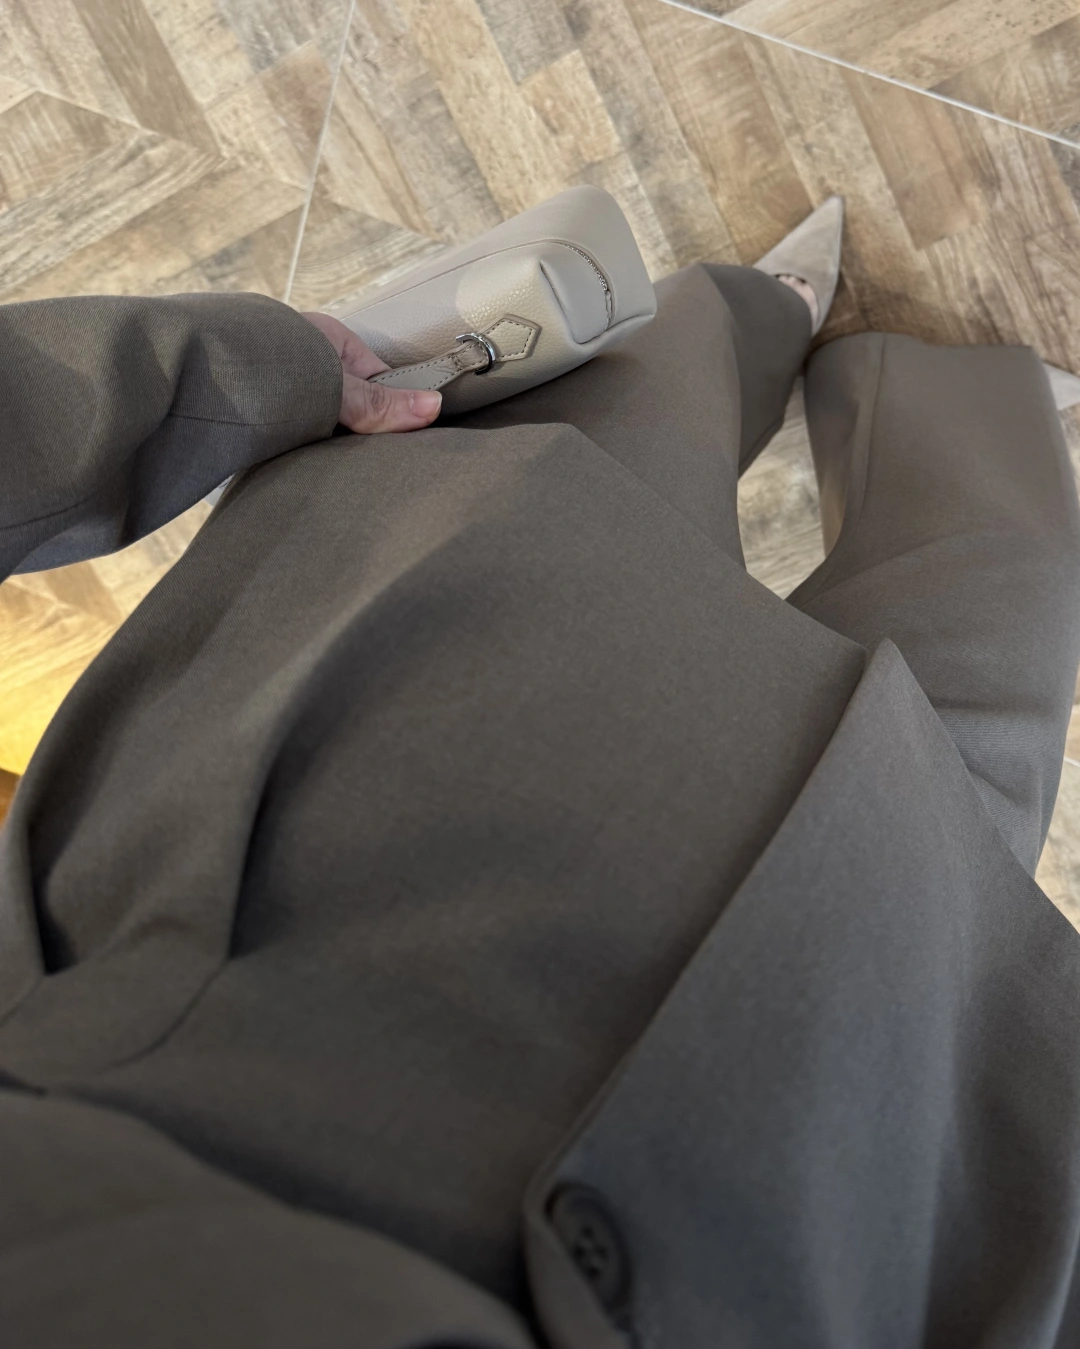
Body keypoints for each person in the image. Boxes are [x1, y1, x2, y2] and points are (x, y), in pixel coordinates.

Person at [1, 197, 1079, 1349]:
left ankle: (769, 308)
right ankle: (960, 390)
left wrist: (236, 368)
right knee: (1005, 568)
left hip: (352, 794)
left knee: (646, 379)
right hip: (873, 1134)